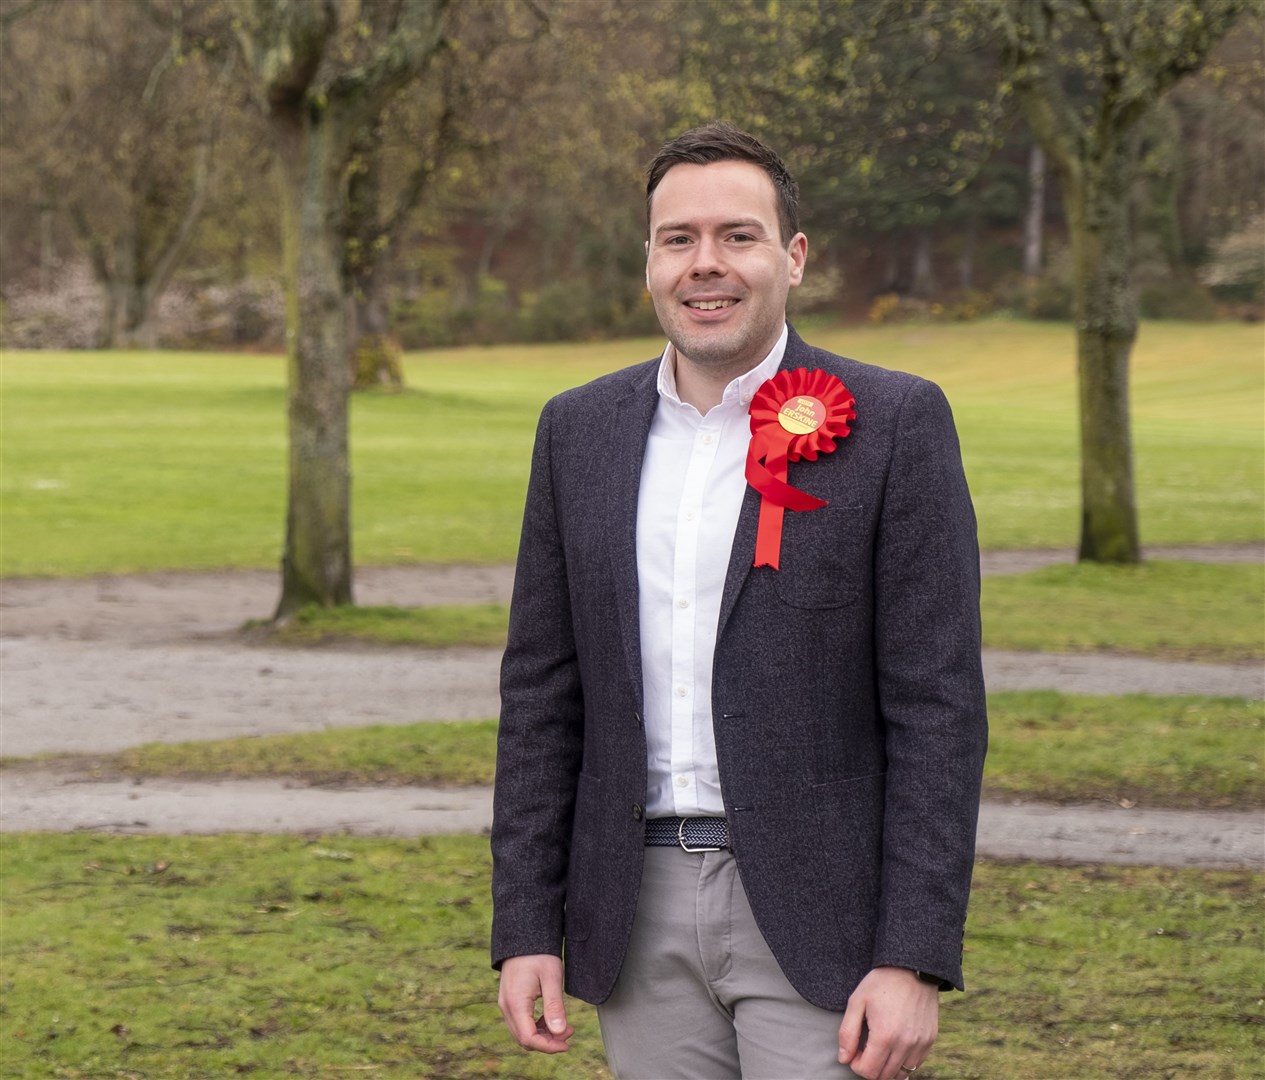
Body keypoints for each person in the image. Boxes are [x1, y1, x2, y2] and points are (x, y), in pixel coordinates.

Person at [491, 121, 987, 1080]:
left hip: (825, 921)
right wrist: (525, 924)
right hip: (630, 914)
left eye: (737, 236)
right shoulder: (576, 432)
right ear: (647, 260)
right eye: (678, 239)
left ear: (792, 257)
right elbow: (541, 701)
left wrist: (912, 956)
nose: (704, 265)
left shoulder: (893, 423)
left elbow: (938, 710)